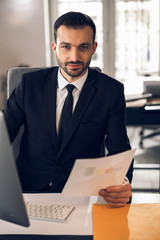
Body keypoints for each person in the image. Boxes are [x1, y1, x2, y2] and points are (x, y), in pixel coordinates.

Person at [3, 12, 133, 208]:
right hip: (28, 193)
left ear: (93, 48)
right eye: (66, 47)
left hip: (83, 196)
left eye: (83, 47)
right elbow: (3, 133)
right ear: (55, 47)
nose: (74, 57)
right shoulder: (29, 85)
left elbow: (119, 150)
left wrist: (122, 184)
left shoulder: (111, 91)